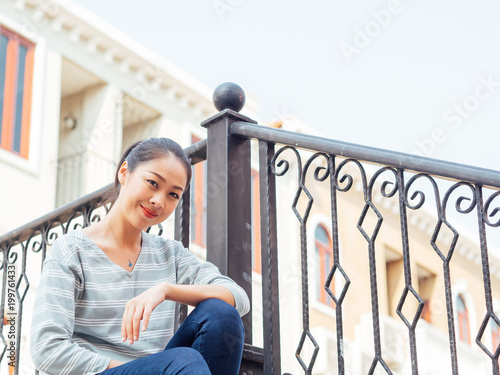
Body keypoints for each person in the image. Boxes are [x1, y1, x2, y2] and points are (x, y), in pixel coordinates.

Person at [30, 138, 250, 375]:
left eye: (173, 195)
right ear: (124, 172)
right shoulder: (72, 250)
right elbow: (46, 349)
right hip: (107, 372)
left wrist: (166, 290)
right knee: (185, 362)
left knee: (221, 315)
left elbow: (239, 298)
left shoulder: (170, 254)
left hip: (167, 369)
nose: (159, 201)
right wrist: (141, 370)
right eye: (152, 183)